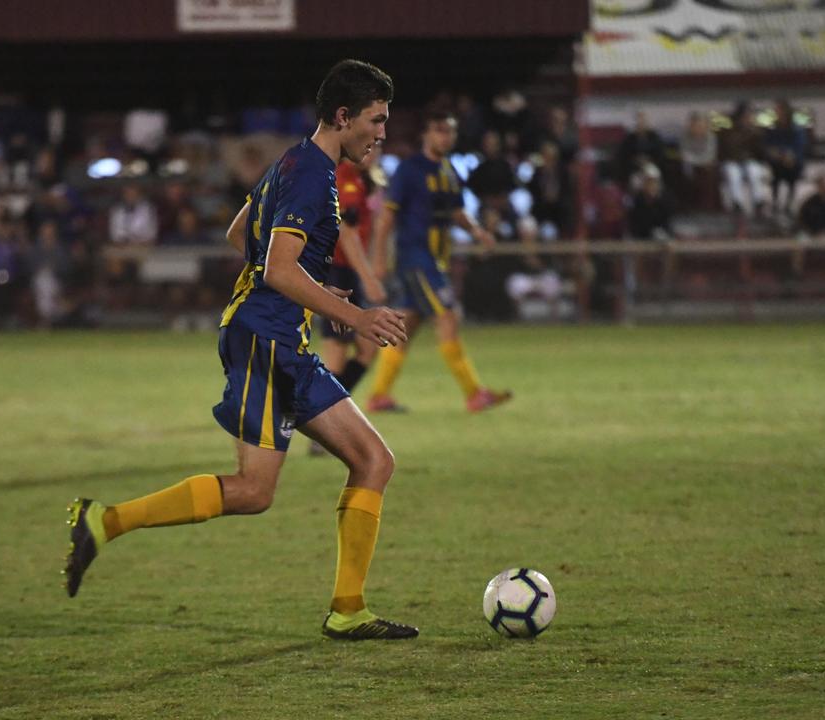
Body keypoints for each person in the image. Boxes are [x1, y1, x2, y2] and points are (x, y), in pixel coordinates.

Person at [64, 59, 418, 640]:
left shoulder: (294, 162)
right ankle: (104, 522)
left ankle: (349, 609)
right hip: (263, 338)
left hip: (284, 339)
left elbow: (241, 235)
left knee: (374, 460)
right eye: (376, 121)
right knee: (253, 491)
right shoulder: (312, 175)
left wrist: (309, 282)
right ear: (343, 115)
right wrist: (355, 315)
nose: (382, 133)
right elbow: (276, 267)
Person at [367, 109, 512, 413]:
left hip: (435, 259)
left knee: (406, 326)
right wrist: (379, 259)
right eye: (438, 130)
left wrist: (478, 233)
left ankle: (379, 395)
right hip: (417, 258)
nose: (444, 136)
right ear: (426, 134)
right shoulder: (410, 170)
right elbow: (386, 218)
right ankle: (474, 393)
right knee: (448, 316)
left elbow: (457, 213)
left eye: (449, 131)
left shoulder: (448, 170)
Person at [308, 148, 388, 455]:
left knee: (368, 348)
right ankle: (321, 430)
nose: (374, 152)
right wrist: (368, 277)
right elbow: (346, 233)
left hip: (345, 272)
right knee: (335, 355)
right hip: (335, 273)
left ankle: (329, 421)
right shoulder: (344, 180)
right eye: (369, 146)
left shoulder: (361, 179)